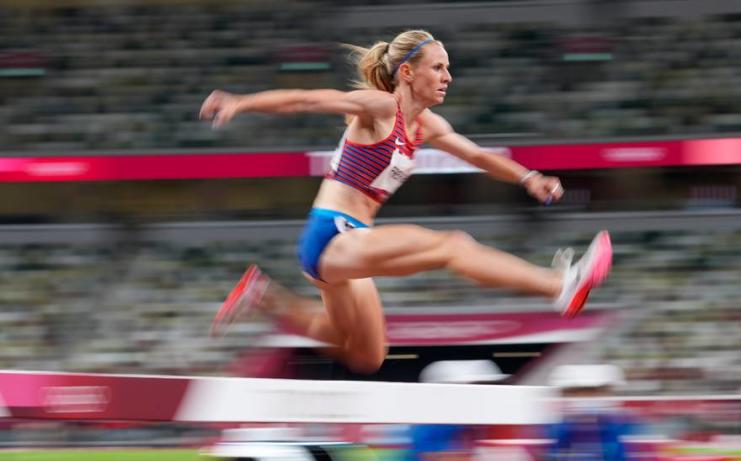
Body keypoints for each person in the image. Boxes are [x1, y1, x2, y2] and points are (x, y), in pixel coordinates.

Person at [200, 29, 612, 373]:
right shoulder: (381, 108)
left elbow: (477, 155)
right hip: (331, 236)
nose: (448, 76)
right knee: (451, 246)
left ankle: (264, 295)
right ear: (408, 73)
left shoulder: (427, 125)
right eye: (439, 67)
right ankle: (560, 285)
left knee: (367, 355)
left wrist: (529, 178)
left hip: (352, 246)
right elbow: (309, 99)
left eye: (448, 68)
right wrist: (241, 102)